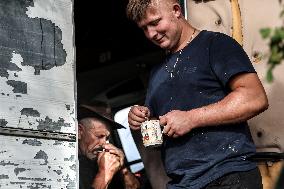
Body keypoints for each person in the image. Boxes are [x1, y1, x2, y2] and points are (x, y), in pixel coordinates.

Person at [126, 0, 269, 188]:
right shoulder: (156, 74)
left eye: (155, 22)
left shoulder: (215, 44)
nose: (151, 34)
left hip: (227, 175)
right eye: (144, 28)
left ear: (176, 10)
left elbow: (254, 98)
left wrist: (191, 118)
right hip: (182, 182)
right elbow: (159, 127)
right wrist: (140, 119)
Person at [78, 104, 140, 189]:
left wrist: (121, 168)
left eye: (107, 138)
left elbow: (134, 187)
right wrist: (104, 173)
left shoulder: (102, 160)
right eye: (99, 136)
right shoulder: (68, 167)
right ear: (79, 131)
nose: (104, 144)